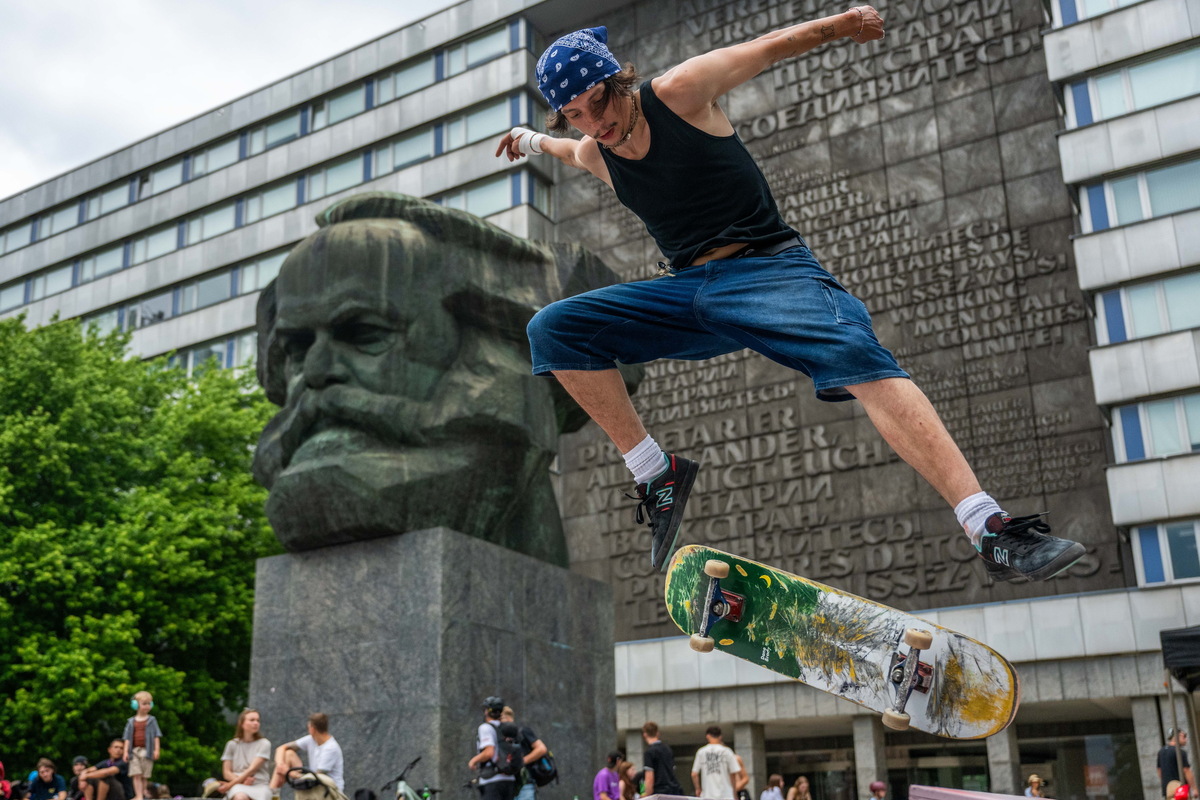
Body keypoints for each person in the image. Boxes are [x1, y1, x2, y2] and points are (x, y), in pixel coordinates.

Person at [496, 15, 1087, 582]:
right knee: (553, 330)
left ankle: (988, 528)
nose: (593, 125)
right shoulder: (594, 150)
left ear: (615, 81)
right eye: (575, 115)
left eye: (597, 105)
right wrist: (528, 139)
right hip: (690, 293)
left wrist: (843, 23)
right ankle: (655, 472)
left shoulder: (678, 92)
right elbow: (562, 151)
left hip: (771, 272)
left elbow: (770, 46)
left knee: (857, 355)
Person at [270, 713, 344, 794]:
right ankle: (271, 792)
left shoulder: (331, 748)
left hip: (329, 792)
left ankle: (271, 793)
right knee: (288, 754)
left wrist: (289, 772)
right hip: (313, 786)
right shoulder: (311, 740)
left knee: (287, 761)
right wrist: (280, 765)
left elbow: (317, 778)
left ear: (312, 729)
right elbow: (281, 748)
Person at [467, 697, 517, 800]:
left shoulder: (485, 728)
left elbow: (489, 752)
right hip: (509, 779)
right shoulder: (507, 728)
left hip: (492, 779)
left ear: (487, 711)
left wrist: (473, 761)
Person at [219, 708, 273, 800]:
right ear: (242, 724)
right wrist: (241, 781)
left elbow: (252, 769)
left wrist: (228, 786)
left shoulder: (264, 743)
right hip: (238, 785)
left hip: (259, 785)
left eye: (258, 720)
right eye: (252, 720)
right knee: (240, 796)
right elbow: (226, 772)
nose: (256, 723)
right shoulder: (232, 744)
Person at [500, 706, 549, 800]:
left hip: (525, 783)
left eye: (500, 719)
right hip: (506, 785)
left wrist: (522, 761)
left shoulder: (522, 731)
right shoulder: (500, 737)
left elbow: (541, 749)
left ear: (507, 718)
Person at [123, 691, 163, 800]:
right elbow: (126, 738)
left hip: (147, 750)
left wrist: (156, 750)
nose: (147, 706)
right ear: (136, 705)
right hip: (134, 751)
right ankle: (139, 795)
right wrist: (125, 752)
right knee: (136, 774)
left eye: (149, 703)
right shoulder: (131, 721)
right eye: (144, 703)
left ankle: (142, 793)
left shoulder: (152, 720)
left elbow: (156, 736)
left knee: (144, 775)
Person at [690, 726, 743, 800]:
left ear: (708, 736)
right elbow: (733, 774)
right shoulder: (727, 751)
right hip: (726, 795)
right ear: (720, 737)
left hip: (707, 795)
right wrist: (734, 793)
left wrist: (698, 789)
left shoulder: (701, 752)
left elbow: (694, 774)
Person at [641, 722, 684, 797]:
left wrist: (645, 795)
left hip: (660, 793)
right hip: (674, 791)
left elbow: (649, 778)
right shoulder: (668, 749)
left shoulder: (649, 752)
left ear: (645, 734)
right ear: (657, 733)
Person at [1160, 729, 1196, 800]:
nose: (1186, 739)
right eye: (1184, 736)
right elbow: (1186, 771)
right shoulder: (1180, 752)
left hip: (1168, 790)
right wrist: (1194, 788)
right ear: (1177, 736)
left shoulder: (1161, 751)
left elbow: (1159, 771)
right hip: (1180, 790)